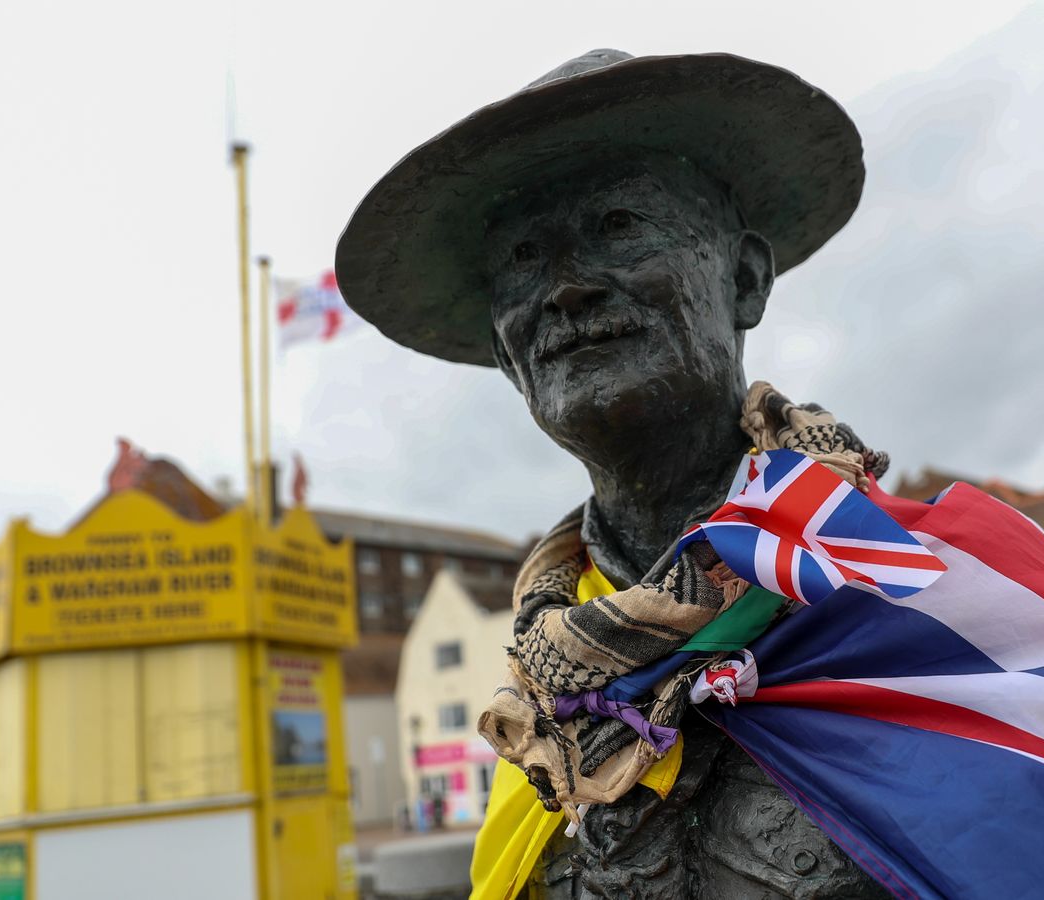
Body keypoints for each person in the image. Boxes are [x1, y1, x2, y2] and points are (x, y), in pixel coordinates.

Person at [336, 49, 880, 898]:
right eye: (523, 257)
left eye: (620, 225)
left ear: (742, 279)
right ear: (507, 359)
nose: (565, 289)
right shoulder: (541, 727)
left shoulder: (932, 601)